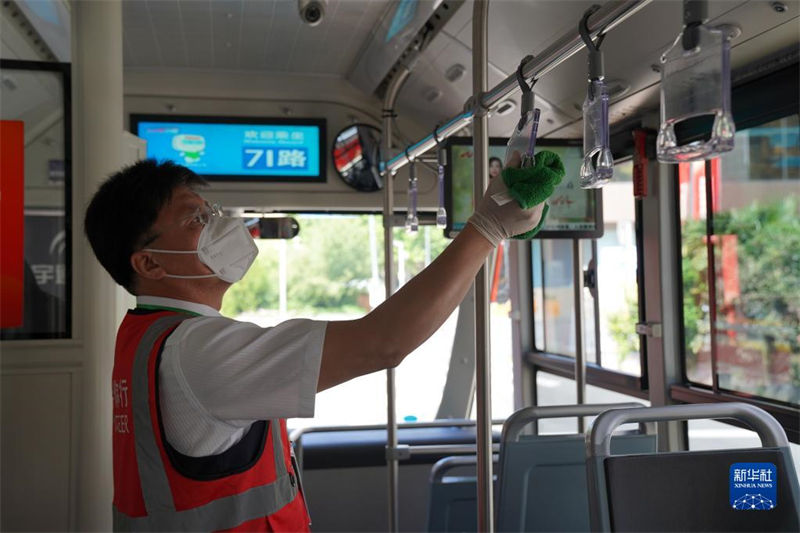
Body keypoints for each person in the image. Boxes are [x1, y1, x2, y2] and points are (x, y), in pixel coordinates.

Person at [84, 151, 541, 531]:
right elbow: (383, 342)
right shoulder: (197, 353)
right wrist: (487, 229)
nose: (216, 223)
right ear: (149, 264)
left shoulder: (145, 338)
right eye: (196, 218)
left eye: (212, 211)